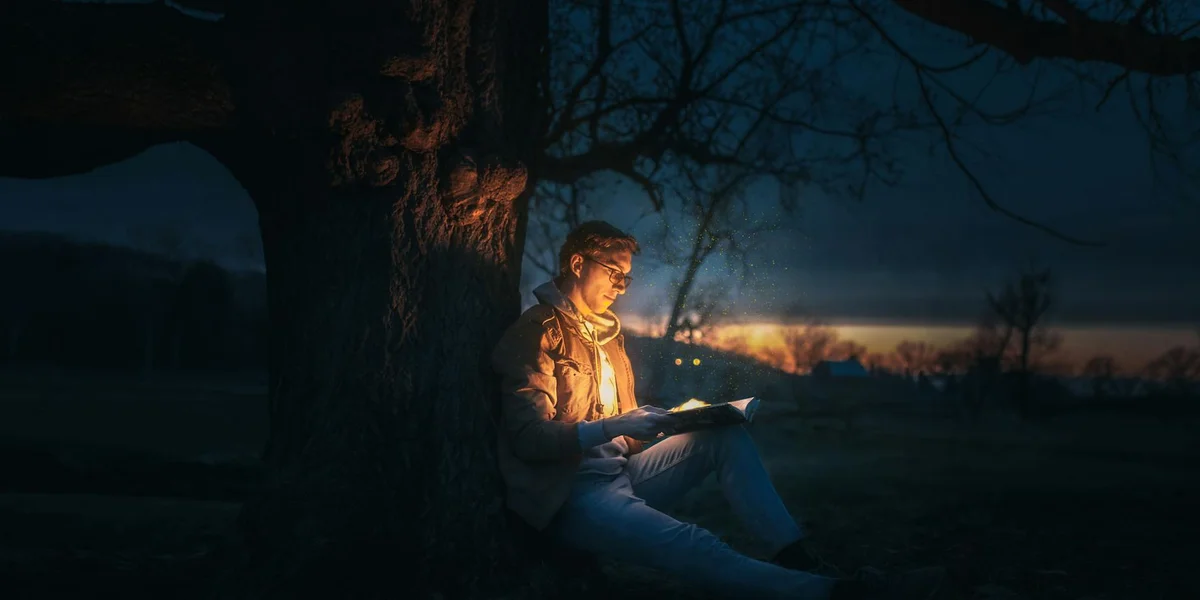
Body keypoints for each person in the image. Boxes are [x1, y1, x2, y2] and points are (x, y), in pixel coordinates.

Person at [491, 221, 944, 599]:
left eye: (626, 278)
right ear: (577, 264)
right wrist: (614, 424)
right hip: (569, 497)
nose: (621, 287)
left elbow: (623, 436)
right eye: (614, 272)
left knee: (723, 435)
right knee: (695, 543)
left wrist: (663, 423)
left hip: (620, 476)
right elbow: (529, 440)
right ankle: (832, 593)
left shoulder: (610, 337)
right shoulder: (537, 332)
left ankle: (800, 559)